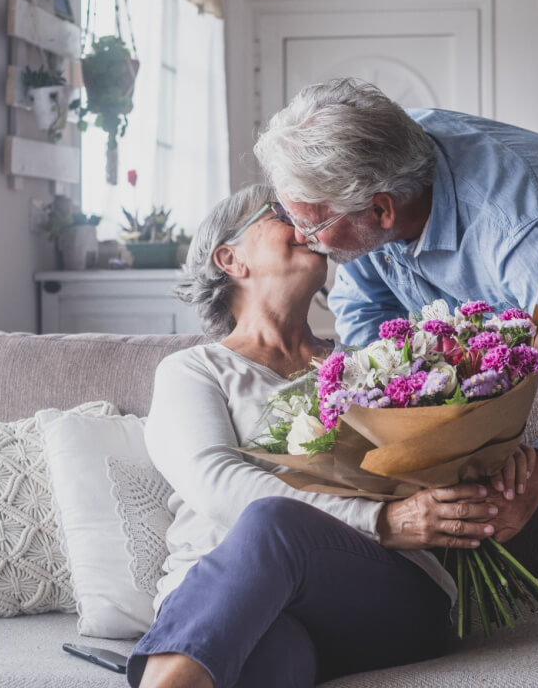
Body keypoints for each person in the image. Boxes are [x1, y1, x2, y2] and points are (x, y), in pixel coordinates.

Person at [253, 78, 538, 542]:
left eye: (313, 224)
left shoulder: (524, 228)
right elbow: (363, 309)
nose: (301, 237)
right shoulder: (375, 164)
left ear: (381, 210)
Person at [129, 184, 510, 688]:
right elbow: (214, 483)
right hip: (231, 608)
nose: (309, 221)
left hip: (383, 597)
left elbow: (435, 462)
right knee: (270, 657)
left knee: (271, 520)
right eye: (282, 213)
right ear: (230, 259)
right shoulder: (194, 371)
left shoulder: (372, 365)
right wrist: (381, 519)